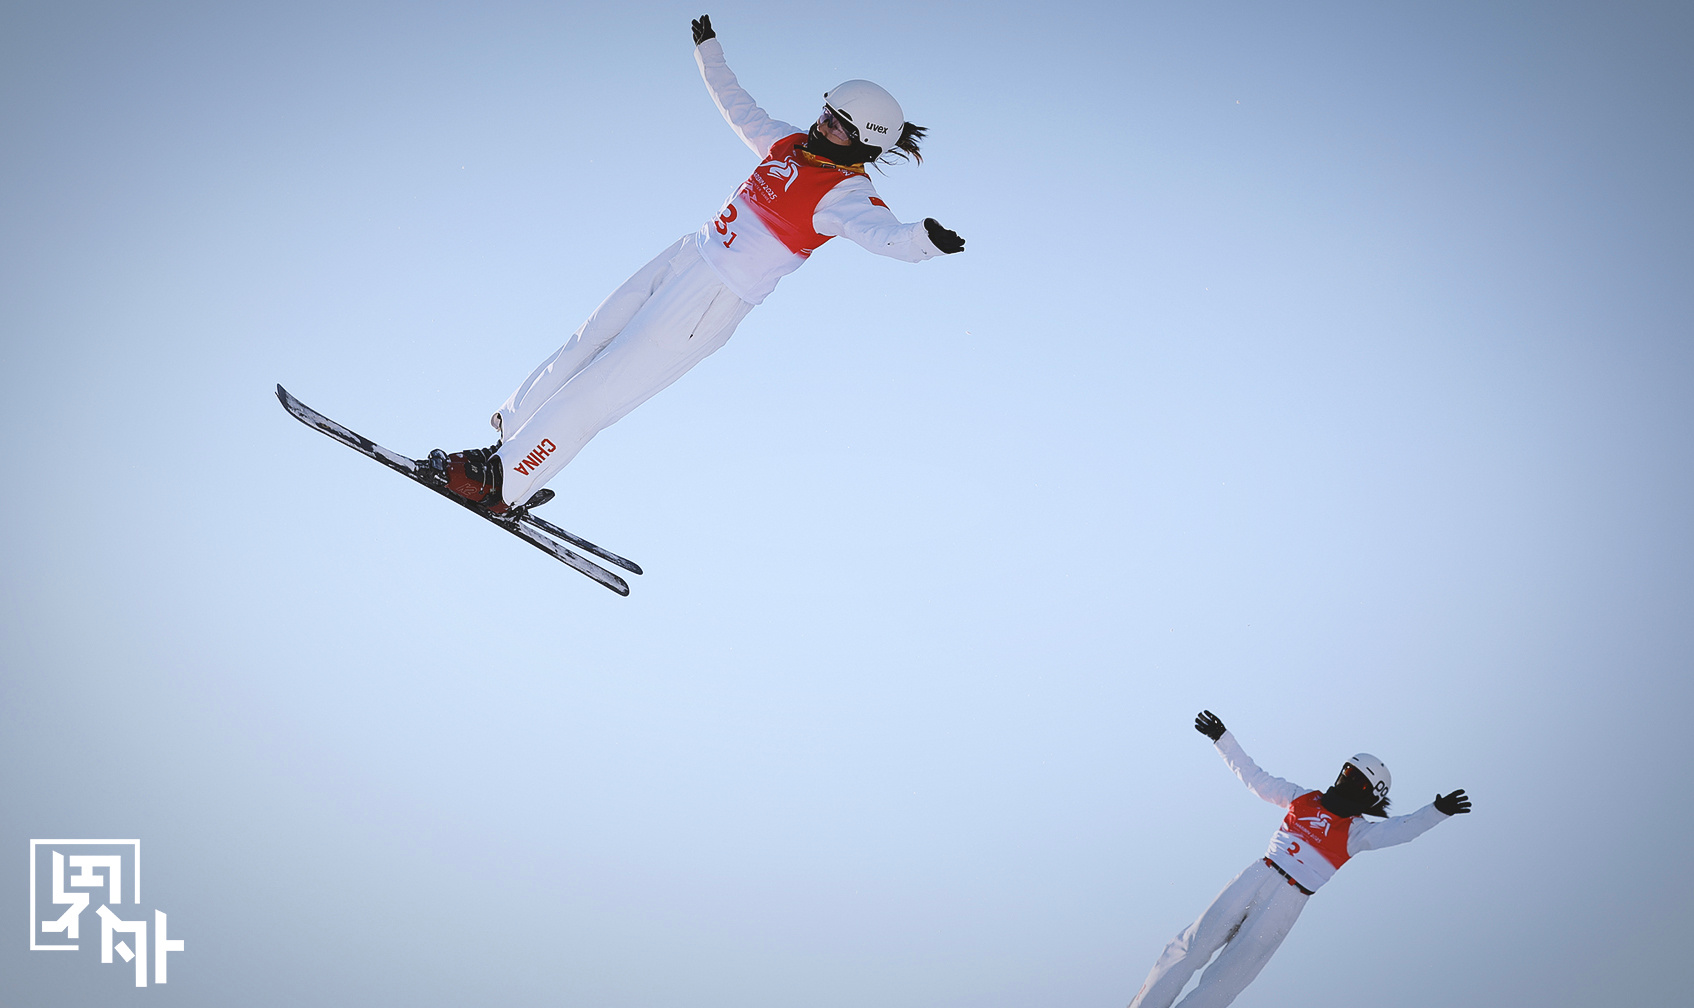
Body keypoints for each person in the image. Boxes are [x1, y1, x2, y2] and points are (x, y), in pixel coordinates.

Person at [433, 13, 965, 513]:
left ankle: (505, 483)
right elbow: (739, 106)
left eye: (838, 127)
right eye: (826, 114)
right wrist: (708, 53)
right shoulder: (785, 144)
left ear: (864, 144)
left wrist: (924, 238)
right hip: (689, 253)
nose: (822, 126)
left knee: (603, 386)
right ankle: (502, 443)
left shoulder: (846, 193)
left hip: (712, 299)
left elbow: (884, 236)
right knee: (585, 342)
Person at [1127, 710, 1473, 1008]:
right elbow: (1256, 778)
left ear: (1370, 797)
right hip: (1260, 873)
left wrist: (1436, 812)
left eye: (1359, 784)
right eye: (1348, 774)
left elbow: (1401, 830)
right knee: (1194, 943)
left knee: (1229, 977)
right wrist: (1223, 739)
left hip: (1290, 899)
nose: (1347, 783)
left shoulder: (1357, 832)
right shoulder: (1303, 799)